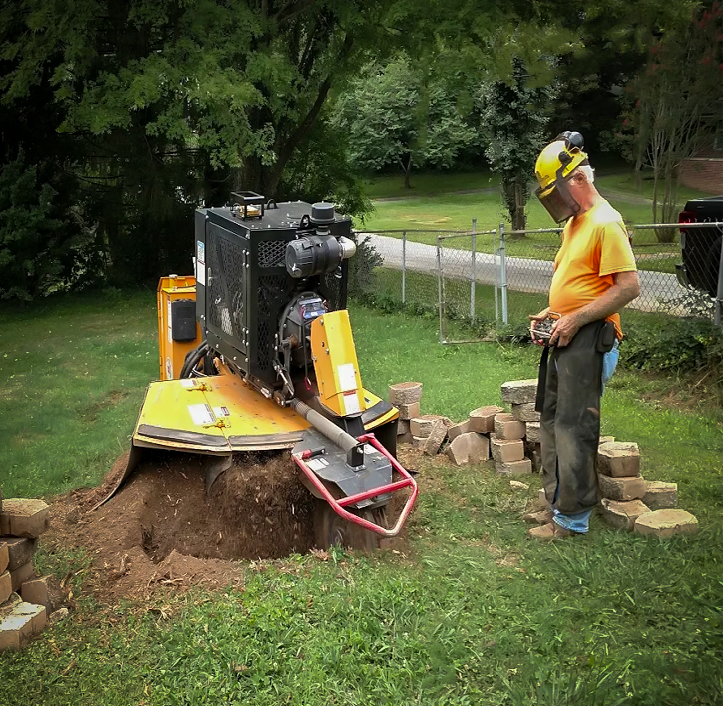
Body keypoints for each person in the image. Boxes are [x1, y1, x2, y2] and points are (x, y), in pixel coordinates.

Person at [526, 131, 641, 540]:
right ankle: (557, 506)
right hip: (567, 333)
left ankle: (573, 522)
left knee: (575, 427)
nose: (554, 201)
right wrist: (554, 313)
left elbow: (628, 287)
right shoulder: (576, 223)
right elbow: (578, 282)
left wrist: (575, 320)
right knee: (553, 421)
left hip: (591, 339)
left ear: (577, 179)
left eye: (555, 191)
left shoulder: (606, 222)